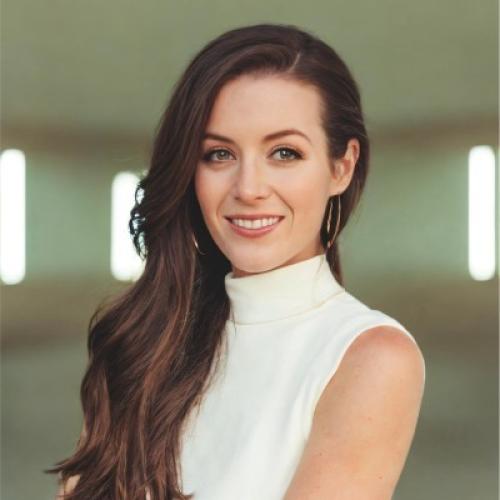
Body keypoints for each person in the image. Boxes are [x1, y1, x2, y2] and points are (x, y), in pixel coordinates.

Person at [48, 22, 426, 499]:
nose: (248, 188)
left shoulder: (370, 359)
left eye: (284, 153)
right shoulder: (144, 342)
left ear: (341, 167)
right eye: (219, 154)